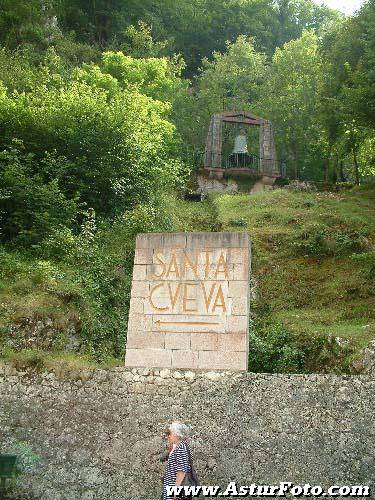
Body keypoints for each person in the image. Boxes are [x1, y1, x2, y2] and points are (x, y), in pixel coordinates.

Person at [161, 421, 193, 500]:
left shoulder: (181, 448)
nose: (168, 436)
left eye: (170, 434)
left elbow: (181, 471)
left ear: (177, 435)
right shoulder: (179, 446)